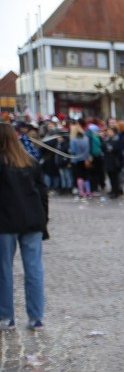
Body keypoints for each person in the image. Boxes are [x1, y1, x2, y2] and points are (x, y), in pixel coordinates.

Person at [0, 123, 49, 331]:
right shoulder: (30, 162)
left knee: (4, 270)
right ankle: (36, 317)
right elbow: (42, 194)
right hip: (32, 221)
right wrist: (43, 220)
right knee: (34, 269)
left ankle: (6, 316)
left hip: (5, 222)